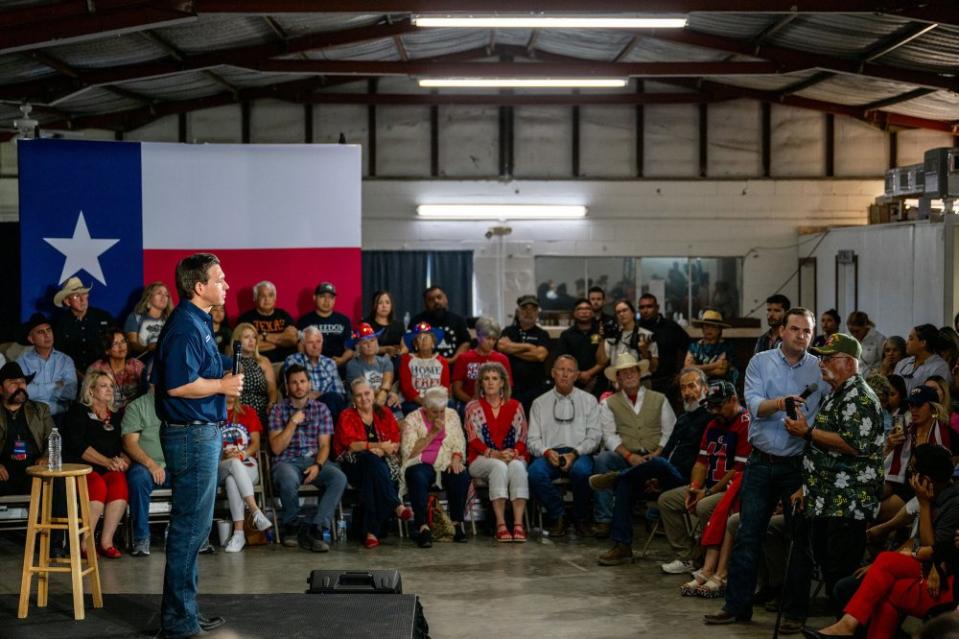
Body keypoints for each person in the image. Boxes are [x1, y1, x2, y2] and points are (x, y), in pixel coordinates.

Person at [704, 307, 825, 626]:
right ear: (782, 331)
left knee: (800, 540)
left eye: (807, 331)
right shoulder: (761, 362)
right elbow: (755, 407)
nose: (802, 336)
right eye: (796, 329)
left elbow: (824, 414)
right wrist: (781, 403)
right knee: (748, 534)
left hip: (797, 464)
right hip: (760, 461)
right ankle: (737, 607)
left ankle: (794, 613)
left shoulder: (818, 369)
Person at [154, 253, 243, 638]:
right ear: (198, 287)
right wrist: (223, 386)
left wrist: (222, 370)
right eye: (219, 279)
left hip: (200, 431)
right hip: (190, 434)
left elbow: (197, 370)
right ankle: (177, 621)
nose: (226, 284)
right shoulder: (185, 326)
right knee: (190, 527)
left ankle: (185, 611)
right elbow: (176, 384)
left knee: (196, 527)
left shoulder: (199, 322)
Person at [779, 333, 885, 629]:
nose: (822, 364)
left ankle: (849, 630)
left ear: (850, 363)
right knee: (829, 572)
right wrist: (806, 487)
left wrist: (807, 432)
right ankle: (841, 628)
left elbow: (854, 445)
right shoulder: (836, 394)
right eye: (822, 358)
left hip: (848, 502)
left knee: (841, 576)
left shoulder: (860, 397)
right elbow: (823, 450)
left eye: (829, 358)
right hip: (826, 498)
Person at [804, 444, 959, 639]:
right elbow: (917, 541)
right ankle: (847, 626)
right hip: (919, 563)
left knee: (881, 566)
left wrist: (924, 505)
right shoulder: (929, 496)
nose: (910, 476)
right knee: (877, 589)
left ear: (927, 479)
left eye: (913, 471)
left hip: (941, 575)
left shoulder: (950, 503)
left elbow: (932, 550)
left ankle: (847, 625)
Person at [673, 382, 752, 593]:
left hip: (730, 487)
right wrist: (694, 487)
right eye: (712, 406)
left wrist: (707, 493)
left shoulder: (745, 422)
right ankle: (691, 558)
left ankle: (715, 569)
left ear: (733, 400)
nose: (714, 411)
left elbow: (738, 470)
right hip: (707, 485)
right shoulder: (713, 423)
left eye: (719, 406)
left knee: (707, 506)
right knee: (668, 501)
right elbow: (701, 461)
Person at [591, 353, 676, 538]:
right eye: (624, 373)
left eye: (633, 371)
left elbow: (670, 431)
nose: (629, 375)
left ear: (640, 374)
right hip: (626, 457)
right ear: (618, 378)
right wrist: (630, 456)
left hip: (656, 455)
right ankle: (604, 519)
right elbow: (609, 436)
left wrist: (657, 453)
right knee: (603, 459)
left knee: (670, 462)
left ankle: (655, 515)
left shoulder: (659, 399)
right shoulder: (609, 403)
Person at [268, 364, 347, 552]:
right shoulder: (278, 410)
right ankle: (292, 527)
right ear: (286, 387)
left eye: (302, 381)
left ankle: (316, 528)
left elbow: (325, 445)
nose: (299, 386)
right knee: (287, 477)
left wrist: (318, 465)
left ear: (309, 383)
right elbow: (277, 449)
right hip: (286, 461)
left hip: (314, 460)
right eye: (294, 382)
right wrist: (293, 423)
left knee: (338, 478)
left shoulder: (322, 409)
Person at [527, 355, 602, 537]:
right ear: (553, 373)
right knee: (535, 473)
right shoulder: (539, 403)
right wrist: (546, 451)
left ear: (576, 375)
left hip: (579, 452)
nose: (565, 374)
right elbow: (532, 440)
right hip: (550, 453)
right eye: (560, 369)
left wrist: (575, 453)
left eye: (570, 370)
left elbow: (595, 436)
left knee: (582, 472)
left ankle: (580, 517)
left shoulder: (589, 400)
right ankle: (558, 514)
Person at [334, 378, 412, 549]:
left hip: (378, 464)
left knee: (372, 475)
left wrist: (383, 450)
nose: (364, 398)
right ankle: (396, 504)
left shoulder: (384, 413)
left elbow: (395, 441)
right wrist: (377, 446)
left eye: (367, 393)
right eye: (359, 395)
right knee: (369, 460)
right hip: (352, 463)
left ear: (373, 393)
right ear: (353, 399)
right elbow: (352, 445)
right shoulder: (346, 415)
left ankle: (371, 533)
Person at [63, 370, 129, 558]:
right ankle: (85, 542)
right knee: (97, 486)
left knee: (119, 482)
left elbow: (123, 444)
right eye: (103, 386)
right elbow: (78, 446)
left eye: (111, 386)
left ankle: (106, 541)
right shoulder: (78, 412)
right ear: (91, 391)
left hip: (108, 468)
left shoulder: (116, 416)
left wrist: (123, 461)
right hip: (81, 467)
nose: (109, 390)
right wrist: (108, 461)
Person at [464, 362, 530, 543]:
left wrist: (514, 452)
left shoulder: (516, 406)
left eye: (495, 378)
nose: (490, 382)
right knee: (498, 466)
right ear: (481, 384)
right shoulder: (473, 407)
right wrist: (495, 454)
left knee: (517, 466)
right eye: (486, 379)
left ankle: (518, 524)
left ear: (502, 383)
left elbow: (523, 437)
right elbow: (473, 439)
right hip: (481, 458)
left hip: (512, 455)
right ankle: (500, 524)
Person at [400, 386, 470, 547]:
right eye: (434, 412)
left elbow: (459, 440)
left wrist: (456, 457)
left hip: (445, 462)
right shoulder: (412, 418)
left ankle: (457, 523)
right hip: (420, 462)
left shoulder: (452, 415)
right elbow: (408, 452)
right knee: (416, 475)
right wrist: (432, 434)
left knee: (460, 474)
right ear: (425, 408)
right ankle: (422, 526)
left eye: (441, 411)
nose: (439, 415)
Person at [880, 385, 950, 524]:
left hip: (919, 491)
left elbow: (942, 478)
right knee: (863, 498)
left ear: (933, 407)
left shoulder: (944, 435)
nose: (913, 409)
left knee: (871, 512)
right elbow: (886, 468)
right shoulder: (906, 431)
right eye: (911, 404)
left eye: (918, 404)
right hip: (897, 482)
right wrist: (888, 446)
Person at [218, 395, 273, 553]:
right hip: (221, 464)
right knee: (233, 465)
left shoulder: (248, 412)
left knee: (231, 480)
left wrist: (242, 454)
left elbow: (255, 444)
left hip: (248, 465)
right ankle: (255, 511)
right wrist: (225, 454)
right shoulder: (214, 414)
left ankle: (239, 533)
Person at [121, 385, 169, 557]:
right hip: (147, 466)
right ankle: (141, 538)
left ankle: (195, 538)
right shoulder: (137, 406)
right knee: (138, 477)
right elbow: (129, 443)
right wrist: (151, 464)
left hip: (175, 465)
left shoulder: (180, 403)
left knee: (198, 474)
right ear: (152, 380)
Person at [0, 362, 53, 496]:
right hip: (4, 471)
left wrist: (46, 457)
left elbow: (52, 438)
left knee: (57, 485)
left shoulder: (41, 410)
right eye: (13, 383)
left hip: (35, 469)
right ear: (0, 389)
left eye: (22, 382)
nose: (20, 386)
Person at [17, 312, 77, 419]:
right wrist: (55, 385)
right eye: (41, 332)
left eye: (49, 330)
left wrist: (36, 389)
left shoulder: (66, 360)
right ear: (31, 339)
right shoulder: (22, 362)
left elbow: (70, 393)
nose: (47, 335)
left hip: (61, 417)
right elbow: (23, 393)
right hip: (31, 417)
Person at [497, 295, 550, 415]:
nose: (528, 312)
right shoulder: (508, 331)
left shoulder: (542, 334)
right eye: (525, 308)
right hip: (510, 387)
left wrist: (512, 349)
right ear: (518, 311)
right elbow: (502, 347)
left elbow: (540, 356)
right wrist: (528, 347)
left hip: (535, 388)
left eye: (533, 309)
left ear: (537, 313)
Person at [283, 326, 347, 421]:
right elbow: (291, 391)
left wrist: (318, 395)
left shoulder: (330, 363)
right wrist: (321, 395)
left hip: (331, 405)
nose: (315, 346)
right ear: (303, 343)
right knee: (332, 399)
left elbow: (340, 393)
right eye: (310, 342)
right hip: (304, 405)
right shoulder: (293, 360)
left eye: (318, 342)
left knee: (334, 399)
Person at [52, 276, 114, 372]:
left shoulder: (104, 317)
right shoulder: (60, 324)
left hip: (103, 374)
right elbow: (58, 356)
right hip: (71, 376)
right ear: (67, 301)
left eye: (84, 294)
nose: (83, 299)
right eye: (77, 296)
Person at [637, 293, 690, 395]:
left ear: (657, 307)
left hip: (668, 382)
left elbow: (689, 348)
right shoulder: (636, 328)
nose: (645, 310)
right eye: (642, 307)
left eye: (649, 306)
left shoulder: (670, 327)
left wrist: (681, 372)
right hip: (642, 382)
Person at [228, 322, 277, 426]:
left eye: (254, 337)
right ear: (237, 340)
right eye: (246, 337)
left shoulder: (263, 361)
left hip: (262, 410)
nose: (251, 341)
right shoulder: (229, 362)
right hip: (238, 410)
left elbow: (272, 389)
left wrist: (272, 403)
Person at [408, 286, 471, 368]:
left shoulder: (458, 320)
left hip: (453, 368)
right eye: (431, 300)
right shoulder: (417, 322)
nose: (436, 301)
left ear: (446, 299)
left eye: (439, 297)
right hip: (424, 369)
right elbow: (410, 346)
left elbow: (466, 342)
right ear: (426, 304)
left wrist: (452, 360)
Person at [453, 317, 512, 404]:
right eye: (488, 338)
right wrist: (473, 403)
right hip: (469, 404)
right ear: (478, 336)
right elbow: (457, 389)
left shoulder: (502, 359)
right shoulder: (464, 358)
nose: (491, 342)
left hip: (496, 405)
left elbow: (507, 387)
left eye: (494, 339)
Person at [597, 299, 659, 382]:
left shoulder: (646, 335)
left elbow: (653, 368)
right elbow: (602, 361)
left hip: (641, 382)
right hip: (618, 383)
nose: (622, 314)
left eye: (625, 310)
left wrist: (644, 351)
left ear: (633, 313)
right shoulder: (613, 336)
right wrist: (602, 338)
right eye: (618, 312)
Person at [237, 281, 298, 364]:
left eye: (270, 295)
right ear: (255, 298)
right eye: (263, 296)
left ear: (275, 298)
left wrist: (264, 336)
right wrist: (281, 341)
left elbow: (293, 339)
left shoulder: (284, 315)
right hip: (258, 363)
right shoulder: (246, 318)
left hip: (286, 362)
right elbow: (247, 346)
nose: (267, 299)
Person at [297, 282, 354, 369]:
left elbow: (350, 348)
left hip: (338, 364)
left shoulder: (344, 320)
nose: (327, 301)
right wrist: (308, 362)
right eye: (322, 296)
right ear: (314, 298)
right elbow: (300, 345)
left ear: (334, 300)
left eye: (331, 298)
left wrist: (342, 359)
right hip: (312, 365)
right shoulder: (304, 321)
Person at [398, 322, 450, 415]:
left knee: (450, 406)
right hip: (414, 402)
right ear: (415, 344)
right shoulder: (406, 360)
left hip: (437, 401)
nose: (423, 339)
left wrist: (434, 403)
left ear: (433, 343)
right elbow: (407, 388)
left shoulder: (442, 361)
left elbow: (444, 387)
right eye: (419, 337)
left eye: (426, 336)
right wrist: (424, 403)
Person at [86, 326, 145, 408]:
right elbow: (87, 397)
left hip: (134, 412)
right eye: (115, 343)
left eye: (123, 341)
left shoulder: (136, 365)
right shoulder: (97, 368)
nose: (121, 346)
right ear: (107, 350)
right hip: (106, 413)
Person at [346, 323, 400, 411]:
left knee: (394, 403)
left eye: (372, 340)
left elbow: (387, 383)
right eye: (364, 342)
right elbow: (362, 391)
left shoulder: (385, 361)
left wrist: (386, 393)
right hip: (361, 402)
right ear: (358, 347)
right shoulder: (352, 365)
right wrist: (386, 393)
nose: (369, 345)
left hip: (383, 397)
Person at [557, 298, 605, 396]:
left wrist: (589, 373)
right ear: (574, 313)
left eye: (587, 309)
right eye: (580, 309)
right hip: (572, 382)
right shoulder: (566, 335)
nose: (584, 312)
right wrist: (578, 374)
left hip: (598, 382)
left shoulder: (601, 333)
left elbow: (605, 359)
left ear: (592, 313)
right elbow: (562, 359)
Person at [685, 309, 739, 386]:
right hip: (697, 385)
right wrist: (715, 365)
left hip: (721, 385)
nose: (709, 330)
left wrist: (696, 370)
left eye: (713, 327)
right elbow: (687, 368)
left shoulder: (726, 346)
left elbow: (721, 371)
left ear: (719, 330)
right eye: (706, 326)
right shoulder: (694, 346)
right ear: (702, 328)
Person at [895, 323, 953, 392]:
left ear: (923, 342)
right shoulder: (902, 363)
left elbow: (938, 395)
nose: (906, 342)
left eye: (911, 339)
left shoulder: (940, 367)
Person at [124, 281, 173, 358]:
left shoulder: (171, 320)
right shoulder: (135, 317)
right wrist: (147, 347)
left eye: (166, 295)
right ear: (149, 297)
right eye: (159, 293)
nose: (163, 297)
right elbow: (131, 343)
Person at [363, 290, 407, 360]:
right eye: (380, 303)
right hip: (372, 362)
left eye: (387, 303)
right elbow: (362, 348)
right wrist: (385, 349)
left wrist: (399, 353)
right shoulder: (366, 325)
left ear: (391, 305)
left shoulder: (399, 325)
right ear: (374, 305)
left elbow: (405, 347)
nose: (384, 306)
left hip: (395, 361)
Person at [847, 311, 885, 376]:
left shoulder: (879, 339)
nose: (854, 334)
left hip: (871, 380)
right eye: (851, 331)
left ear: (865, 326)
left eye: (857, 331)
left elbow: (885, 362)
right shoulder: (847, 337)